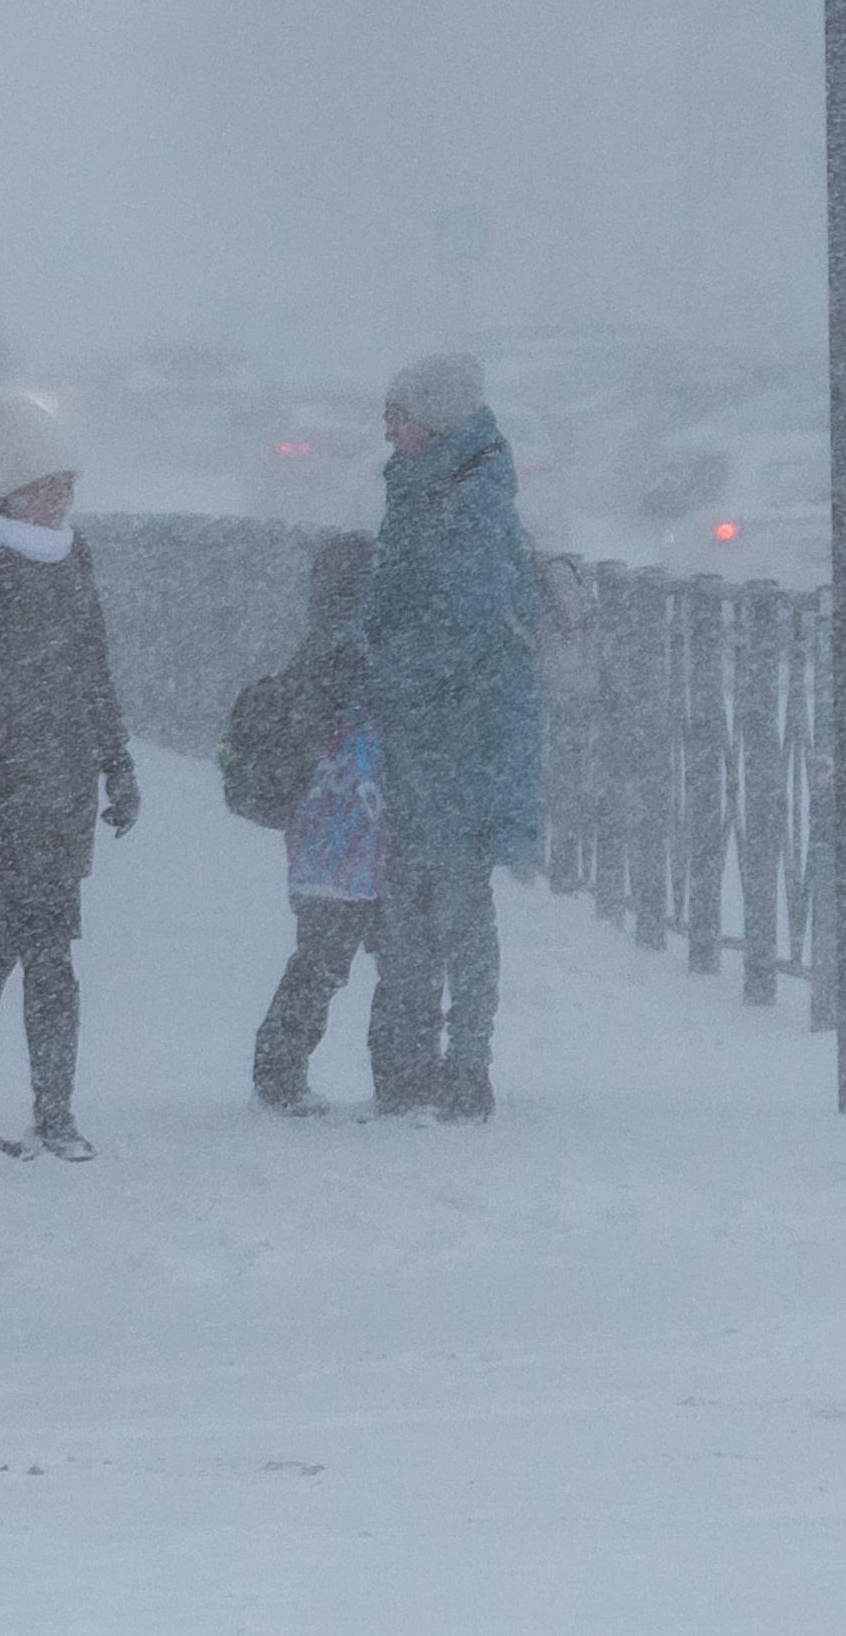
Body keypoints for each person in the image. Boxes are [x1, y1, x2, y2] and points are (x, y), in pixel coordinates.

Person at [0, 397, 139, 1161]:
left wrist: (116, 761)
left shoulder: (71, 555)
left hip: (57, 794)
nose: (59, 498)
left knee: (51, 955)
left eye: (67, 483)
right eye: (46, 483)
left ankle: (55, 1112)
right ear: (11, 483)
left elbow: (92, 667)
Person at [361, 353, 540, 1122]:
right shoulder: (428, 486)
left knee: (451, 907)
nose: (387, 428)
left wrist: (381, 661)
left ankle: (462, 1067)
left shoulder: (463, 501)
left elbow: (462, 626)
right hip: (428, 733)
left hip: (460, 737)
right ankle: (415, 1063)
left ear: (433, 421)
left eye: (398, 414)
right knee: (412, 905)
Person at [241, 533, 388, 1115]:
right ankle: (399, 1075)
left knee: (320, 961)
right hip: (374, 835)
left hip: (321, 845)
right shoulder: (377, 656)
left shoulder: (313, 656)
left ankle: (278, 1072)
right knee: (398, 960)